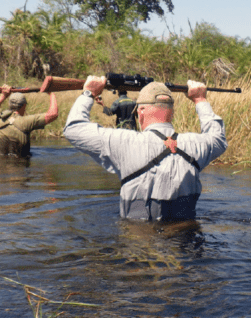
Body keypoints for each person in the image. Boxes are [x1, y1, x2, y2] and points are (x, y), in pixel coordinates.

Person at [63, 75, 227, 221]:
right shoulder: (196, 144)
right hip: (185, 245)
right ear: (172, 112)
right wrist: (200, 100)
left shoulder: (124, 141)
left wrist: (88, 94)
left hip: (138, 246)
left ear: (140, 112)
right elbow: (218, 138)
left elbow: (73, 130)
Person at [0, 85, 58, 157]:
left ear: (9, 104)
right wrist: (51, 94)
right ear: (24, 106)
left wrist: (4, 96)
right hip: (20, 166)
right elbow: (53, 114)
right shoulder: (27, 122)